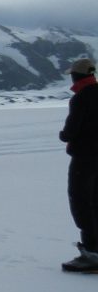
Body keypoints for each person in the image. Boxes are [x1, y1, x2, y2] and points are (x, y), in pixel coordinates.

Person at [59, 57, 98, 273]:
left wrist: (64, 135)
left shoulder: (81, 98)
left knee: (81, 202)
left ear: (77, 76)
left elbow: (70, 131)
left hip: (84, 158)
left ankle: (92, 253)